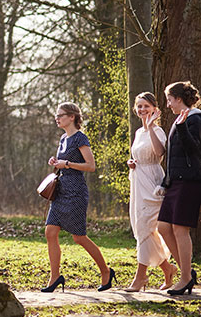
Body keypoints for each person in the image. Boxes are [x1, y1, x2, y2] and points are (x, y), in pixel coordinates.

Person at [41, 102, 116, 293]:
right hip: (61, 191)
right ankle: (55, 276)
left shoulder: (80, 138)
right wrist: (56, 163)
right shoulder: (63, 139)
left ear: (72, 117)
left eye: (60, 115)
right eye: (56, 115)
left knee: (79, 237)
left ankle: (106, 272)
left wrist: (67, 163)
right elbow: (65, 163)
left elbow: (91, 166)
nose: (57, 118)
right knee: (50, 232)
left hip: (76, 192)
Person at [126, 92, 177, 291]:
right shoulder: (138, 133)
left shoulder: (159, 131)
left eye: (146, 106)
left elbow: (159, 153)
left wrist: (150, 127)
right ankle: (167, 269)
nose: (142, 110)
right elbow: (138, 154)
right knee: (141, 228)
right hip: (138, 180)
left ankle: (140, 277)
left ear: (155, 108)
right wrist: (131, 163)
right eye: (139, 107)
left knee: (147, 227)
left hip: (153, 181)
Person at [158, 81, 201, 296]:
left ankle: (185, 278)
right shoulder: (180, 119)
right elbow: (173, 156)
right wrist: (167, 181)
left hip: (190, 182)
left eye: (169, 100)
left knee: (180, 229)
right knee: (163, 227)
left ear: (178, 99)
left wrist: (183, 127)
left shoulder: (195, 119)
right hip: (176, 182)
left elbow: (194, 150)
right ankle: (187, 271)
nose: (168, 105)